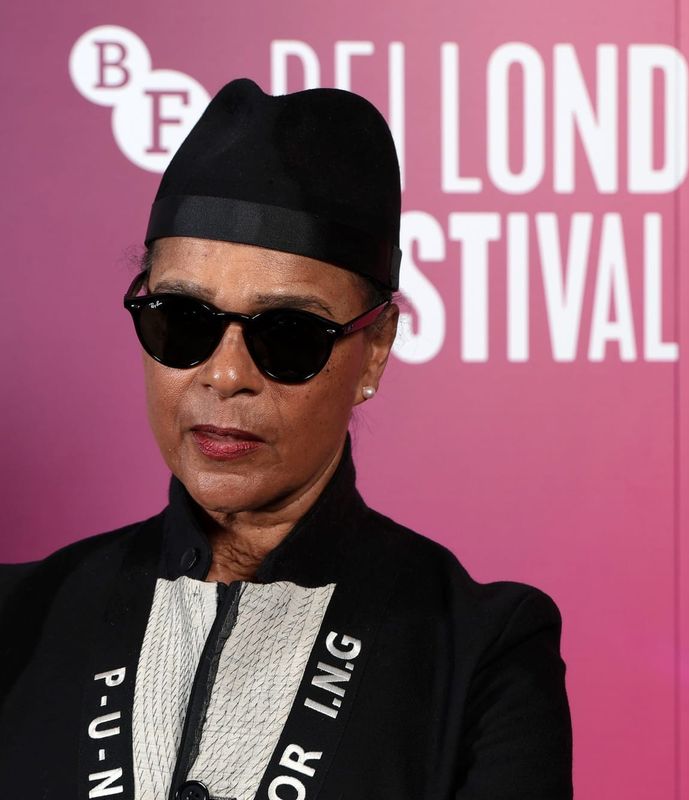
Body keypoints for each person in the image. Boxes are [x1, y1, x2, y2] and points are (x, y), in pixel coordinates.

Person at [0, 78, 572, 799]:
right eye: (182, 320)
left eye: (289, 336)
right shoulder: (18, 622)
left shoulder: (480, 653)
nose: (226, 374)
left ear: (375, 351)